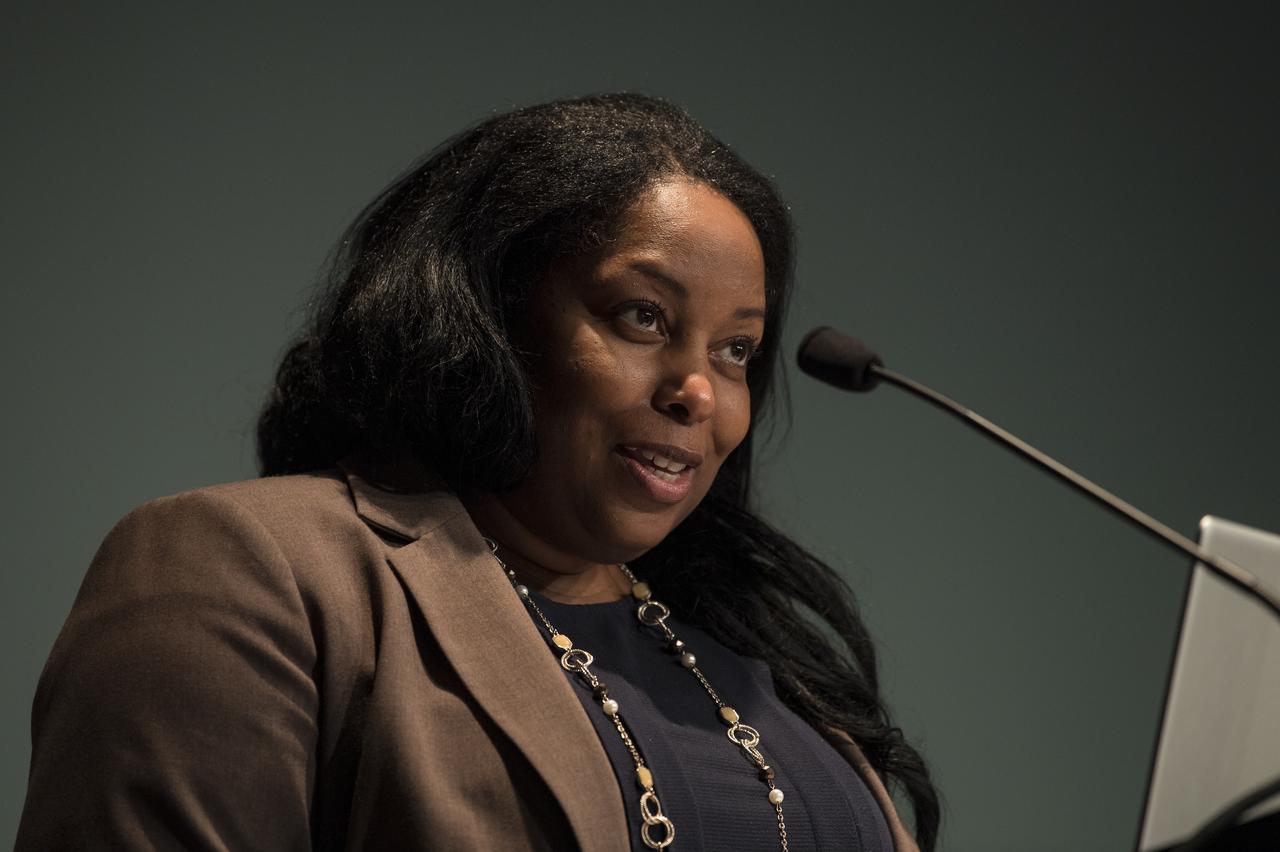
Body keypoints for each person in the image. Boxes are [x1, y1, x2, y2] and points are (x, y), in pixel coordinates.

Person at [17, 93, 939, 851]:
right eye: (643, 317)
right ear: (487, 316)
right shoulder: (259, 568)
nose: (697, 391)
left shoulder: (752, 657)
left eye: (736, 349)